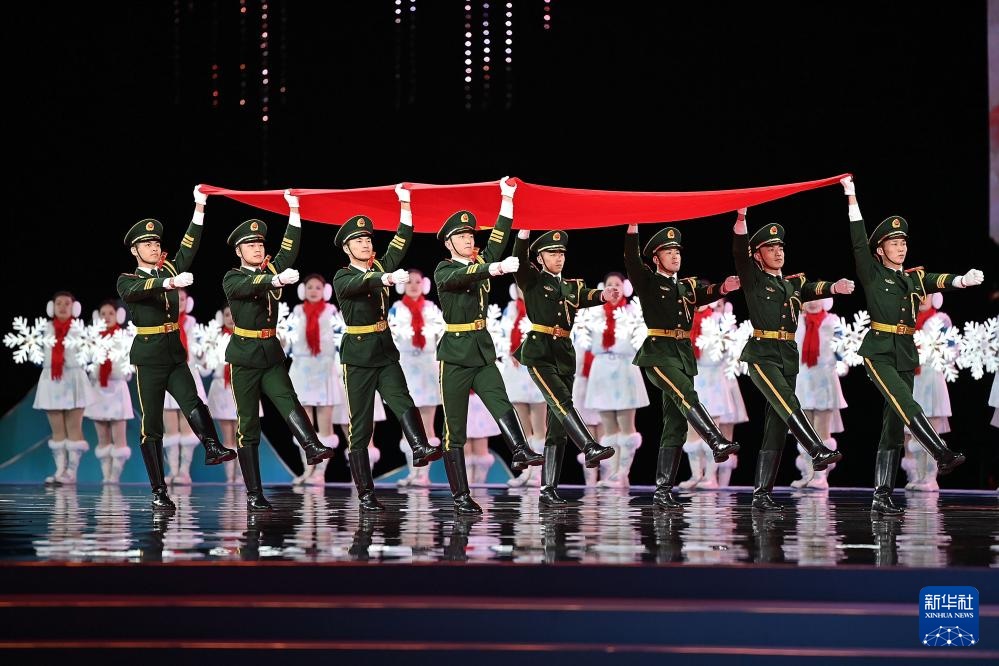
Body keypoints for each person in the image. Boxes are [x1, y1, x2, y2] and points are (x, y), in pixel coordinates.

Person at [841, 176, 982, 515]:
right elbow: (858, 241)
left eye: (903, 242)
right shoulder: (872, 273)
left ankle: (881, 495)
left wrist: (963, 280)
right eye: (893, 243)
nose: (901, 247)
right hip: (879, 351)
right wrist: (851, 197)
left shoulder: (913, 278)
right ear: (880, 250)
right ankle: (941, 452)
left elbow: (938, 280)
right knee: (906, 402)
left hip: (905, 350)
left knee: (893, 424)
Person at [118, 186, 235, 510]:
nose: (154, 247)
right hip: (149, 356)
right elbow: (137, 291)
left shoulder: (170, 268)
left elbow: (190, 243)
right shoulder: (127, 279)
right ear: (135, 250)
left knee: (193, 401)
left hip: (173, 352)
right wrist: (168, 283)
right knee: (152, 425)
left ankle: (212, 447)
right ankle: (159, 490)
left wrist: (199, 205)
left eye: (156, 242)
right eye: (147, 244)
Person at [434, 177, 543, 512]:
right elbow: (463, 277)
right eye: (461, 236)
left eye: (470, 235)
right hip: (455, 354)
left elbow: (498, 234)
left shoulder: (480, 261)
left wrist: (507, 198)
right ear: (449, 243)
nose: (469, 239)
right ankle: (461, 496)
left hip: (481, 349)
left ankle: (520, 449)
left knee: (500, 400)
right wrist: (493, 268)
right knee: (454, 428)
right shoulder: (444, 269)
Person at [732, 208, 851, 512]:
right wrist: (742, 220)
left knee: (776, 424)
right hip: (762, 354)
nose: (778, 252)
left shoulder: (791, 284)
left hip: (787, 355)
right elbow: (739, 253)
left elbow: (811, 289)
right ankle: (816, 448)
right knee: (788, 402)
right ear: (757, 255)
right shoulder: (753, 279)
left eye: (780, 247)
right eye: (770, 248)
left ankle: (762, 494)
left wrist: (834, 287)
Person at [332, 184, 442, 512]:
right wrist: (385, 279)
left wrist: (404, 201)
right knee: (361, 426)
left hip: (384, 349)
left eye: (368, 239)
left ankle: (420, 446)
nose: (366, 244)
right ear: (347, 248)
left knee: (402, 399)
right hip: (358, 355)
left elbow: (402, 237)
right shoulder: (342, 276)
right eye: (358, 241)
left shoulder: (380, 267)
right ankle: (365, 493)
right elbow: (360, 283)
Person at [223, 190, 335, 511]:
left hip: (270, 352)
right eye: (250, 245)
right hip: (245, 356)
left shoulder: (271, 270)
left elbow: (289, 247)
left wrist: (294, 209)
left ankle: (311, 446)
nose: (257, 248)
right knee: (248, 424)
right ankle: (254, 493)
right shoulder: (233, 277)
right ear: (239, 251)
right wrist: (273, 281)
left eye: (260, 244)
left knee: (288, 399)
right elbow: (248, 287)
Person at [625, 224, 741, 511]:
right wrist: (632, 228)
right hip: (658, 354)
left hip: (682, 354)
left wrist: (724, 288)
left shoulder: (686, 286)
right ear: (656, 258)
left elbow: (705, 293)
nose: (675, 255)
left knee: (675, 424)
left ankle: (663, 491)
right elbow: (631, 259)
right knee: (687, 393)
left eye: (677, 251)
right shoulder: (647, 281)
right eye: (668, 252)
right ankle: (715, 440)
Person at [511, 228, 617, 507]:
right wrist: (523, 234)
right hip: (539, 353)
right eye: (552, 253)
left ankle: (548, 489)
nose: (558, 258)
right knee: (562, 402)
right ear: (540, 258)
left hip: (564, 355)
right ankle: (589, 445)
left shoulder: (571, 286)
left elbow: (589, 295)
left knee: (557, 426)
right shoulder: (532, 279)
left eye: (561, 253)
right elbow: (519, 259)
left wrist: (604, 294)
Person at [582, 272, 650, 489]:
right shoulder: (594, 314)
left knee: (626, 425)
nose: (614, 288)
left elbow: (642, 342)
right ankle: (612, 473)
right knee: (609, 428)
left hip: (624, 368)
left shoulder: (633, 313)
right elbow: (583, 342)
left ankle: (623, 473)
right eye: (609, 284)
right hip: (601, 369)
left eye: (618, 284)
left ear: (625, 288)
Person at [681, 298, 748, 490]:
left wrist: (727, 342)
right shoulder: (687, 321)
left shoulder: (719, 321)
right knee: (692, 430)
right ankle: (696, 475)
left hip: (715, 382)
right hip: (694, 380)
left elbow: (732, 352)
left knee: (714, 431)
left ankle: (711, 477)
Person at [388, 268, 444, 487]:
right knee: (408, 423)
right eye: (409, 281)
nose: (413, 285)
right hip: (405, 367)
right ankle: (413, 472)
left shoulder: (432, 309)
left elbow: (442, 337)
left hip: (428, 367)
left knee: (427, 424)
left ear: (425, 285)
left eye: (417, 282)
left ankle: (424, 475)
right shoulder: (396, 309)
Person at [286, 273, 344, 486]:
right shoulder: (297, 311)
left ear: (325, 291)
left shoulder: (332, 311)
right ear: (303, 290)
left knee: (325, 423)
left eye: (318, 287)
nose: (313, 291)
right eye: (309, 287)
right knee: (304, 423)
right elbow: (287, 343)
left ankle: (320, 473)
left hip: (324, 368)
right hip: (301, 369)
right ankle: (307, 469)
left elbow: (340, 341)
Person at [34, 291, 94, 485]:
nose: (62, 307)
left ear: (74, 307)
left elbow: (89, 354)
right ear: (51, 307)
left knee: (74, 428)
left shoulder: (79, 329)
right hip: (51, 380)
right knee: (57, 430)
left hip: (74, 379)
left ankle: (71, 472)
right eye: (58, 303)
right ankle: (60, 470)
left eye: (66, 303)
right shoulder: (45, 328)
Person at [791, 297, 846, 490]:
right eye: (808, 299)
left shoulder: (832, 321)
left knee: (821, 430)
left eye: (817, 299)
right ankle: (808, 474)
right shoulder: (797, 321)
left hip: (824, 380)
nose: (812, 303)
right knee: (804, 431)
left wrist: (841, 363)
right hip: (803, 380)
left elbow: (841, 348)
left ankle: (821, 476)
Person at [902, 293, 952, 492]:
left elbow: (951, 350)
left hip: (931, 380)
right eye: (918, 294)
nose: (922, 298)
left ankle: (930, 478)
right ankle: (918, 476)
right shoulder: (906, 321)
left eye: (926, 294)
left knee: (931, 430)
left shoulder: (940, 320)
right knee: (913, 432)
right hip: (912, 381)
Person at [501, 285, 548, 488]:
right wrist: (508, 352)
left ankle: (538, 473)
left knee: (539, 426)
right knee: (521, 426)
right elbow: (502, 335)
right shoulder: (510, 309)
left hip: (535, 368)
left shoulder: (542, 307)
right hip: (515, 371)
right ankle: (527, 471)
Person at [161, 287, 209, 486]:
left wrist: (201, 354)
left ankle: (184, 472)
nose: (178, 302)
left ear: (188, 302)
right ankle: (172, 471)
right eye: (174, 298)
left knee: (187, 426)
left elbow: (201, 355)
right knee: (170, 429)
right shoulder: (161, 322)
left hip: (188, 376)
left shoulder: (192, 323)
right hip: (167, 376)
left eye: (182, 299)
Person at [84, 299, 134, 484]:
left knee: (119, 437)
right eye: (103, 314)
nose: (106, 317)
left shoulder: (125, 338)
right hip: (98, 390)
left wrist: (120, 371)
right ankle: (106, 475)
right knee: (102, 437)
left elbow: (131, 364)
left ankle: (115, 476)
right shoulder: (93, 339)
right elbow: (85, 361)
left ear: (118, 316)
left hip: (117, 389)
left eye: (110, 313)